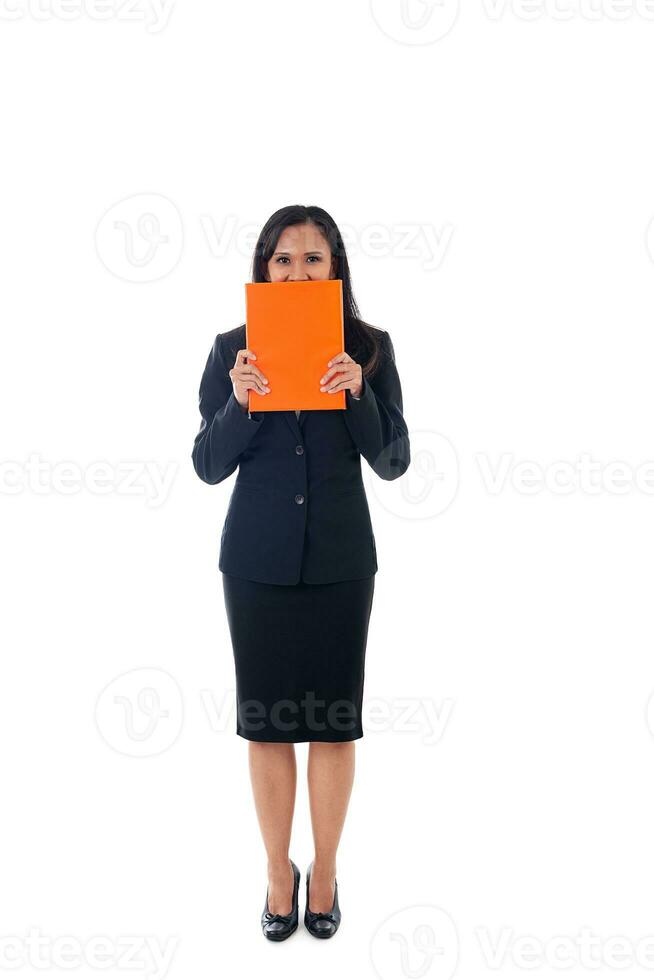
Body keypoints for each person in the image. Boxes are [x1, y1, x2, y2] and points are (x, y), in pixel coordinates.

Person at [192, 204, 410, 941]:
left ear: (336, 267)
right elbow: (206, 465)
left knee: (333, 726)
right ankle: (276, 873)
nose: (297, 271)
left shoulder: (370, 349)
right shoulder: (231, 350)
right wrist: (242, 404)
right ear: (262, 268)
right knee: (268, 726)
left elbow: (394, 461)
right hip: (254, 564)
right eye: (283, 259)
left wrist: (359, 396)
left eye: (313, 258)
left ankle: (327, 867)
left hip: (342, 564)